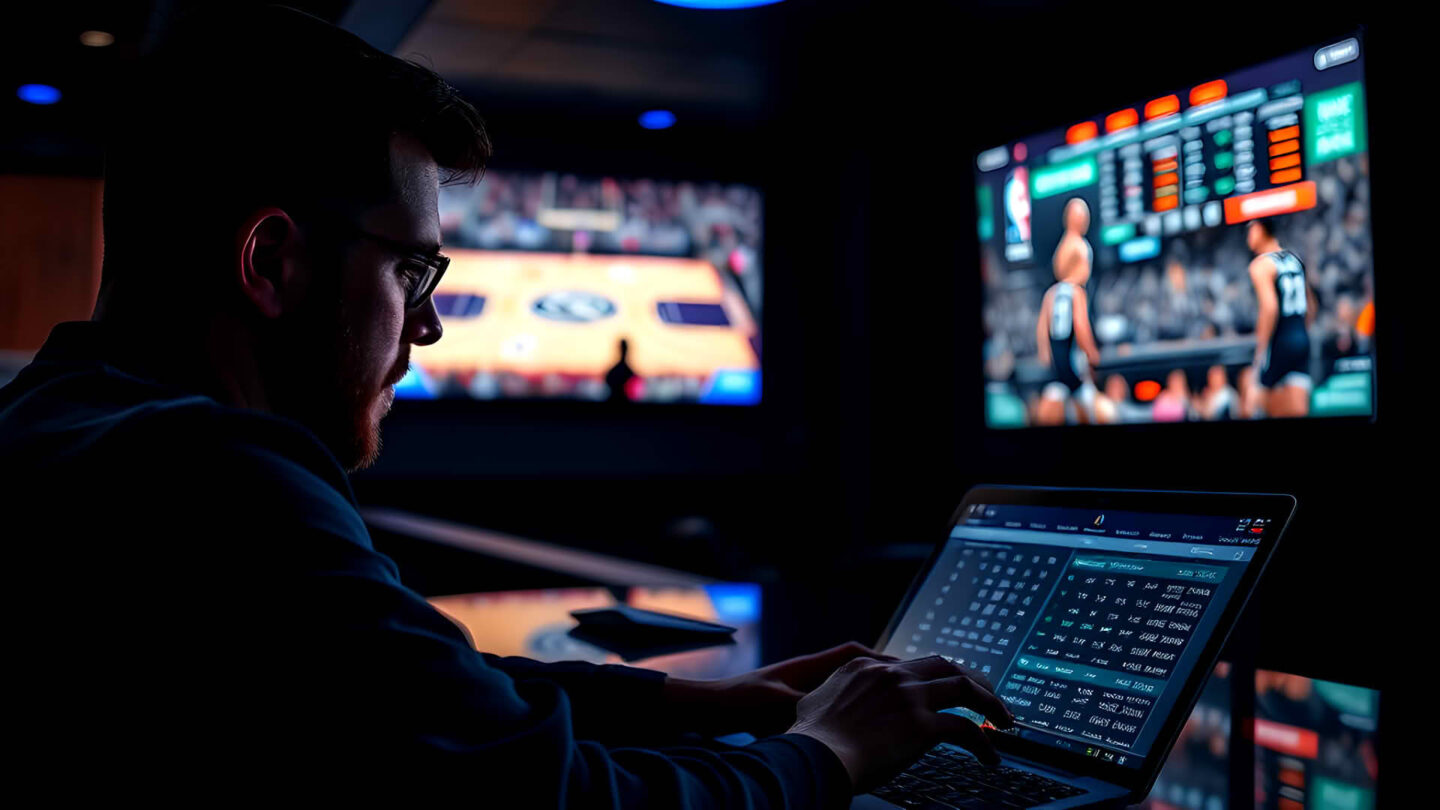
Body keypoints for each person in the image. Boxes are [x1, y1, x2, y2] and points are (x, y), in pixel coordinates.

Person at [0, 5, 1010, 803]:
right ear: (272, 262)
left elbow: (415, 703)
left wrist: (703, 701)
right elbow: (562, 798)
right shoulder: (214, 480)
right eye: (413, 271)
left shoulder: (61, 429)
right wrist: (834, 751)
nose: (427, 328)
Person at [1035, 198, 1102, 425]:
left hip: (1057, 371)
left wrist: (1046, 357)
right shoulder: (1076, 293)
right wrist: (1093, 354)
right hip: (1075, 371)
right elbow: (1081, 328)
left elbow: (1042, 332)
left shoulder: (1051, 295)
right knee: (1090, 410)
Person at [1245, 216, 1316, 418]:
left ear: (1260, 230)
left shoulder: (1260, 265)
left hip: (1279, 342)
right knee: (1298, 409)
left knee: (1253, 399)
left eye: (1250, 230)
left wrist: (1261, 350)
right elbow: (1311, 306)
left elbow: (1270, 308)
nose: (1247, 237)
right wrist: (1300, 332)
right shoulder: (1295, 259)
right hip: (1301, 338)